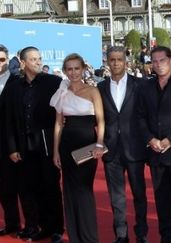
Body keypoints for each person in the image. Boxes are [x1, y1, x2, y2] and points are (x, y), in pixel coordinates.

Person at [3, 46, 64, 242]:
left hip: (47, 145)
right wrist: (12, 148)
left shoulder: (54, 82)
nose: (38, 62)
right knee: (31, 188)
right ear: (22, 63)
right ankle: (40, 227)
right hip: (23, 147)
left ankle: (56, 228)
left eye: (39, 58)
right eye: (33, 59)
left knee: (51, 188)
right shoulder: (13, 89)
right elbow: (9, 121)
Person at [137, 46, 171, 243]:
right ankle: (167, 237)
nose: (158, 64)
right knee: (162, 202)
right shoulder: (144, 87)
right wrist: (150, 139)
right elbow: (140, 117)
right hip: (156, 153)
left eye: (162, 60)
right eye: (155, 61)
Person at [49, 53, 104, 243]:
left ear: (83, 69)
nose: (73, 72)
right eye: (69, 69)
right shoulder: (62, 92)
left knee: (84, 189)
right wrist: (55, 151)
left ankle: (89, 237)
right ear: (65, 71)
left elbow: (101, 121)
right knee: (70, 190)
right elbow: (58, 124)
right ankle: (75, 237)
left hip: (88, 144)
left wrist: (99, 144)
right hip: (66, 145)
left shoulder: (93, 91)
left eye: (76, 68)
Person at [98, 46, 149, 243]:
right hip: (111, 150)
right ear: (107, 62)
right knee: (116, 197)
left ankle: (141, 234)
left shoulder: (140, 85)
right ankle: (121, 234)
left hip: (135, 149)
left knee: (139, 195)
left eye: (120, 59)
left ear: (126, 62)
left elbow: (147, 114)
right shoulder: (100, 88)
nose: (116, 63)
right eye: (112, 59)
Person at [0, 44, 21, 236]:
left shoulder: (18, 82)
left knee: (21, 186)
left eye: (1, 60)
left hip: (13, 142)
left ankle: (32, 223)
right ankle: (11, 223)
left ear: (7, 60)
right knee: (3, 188)